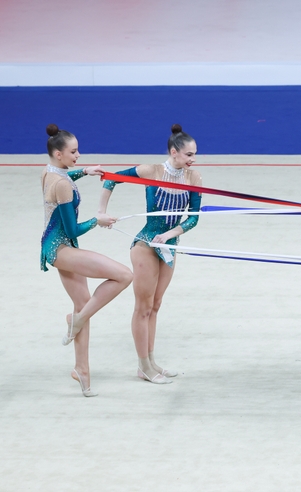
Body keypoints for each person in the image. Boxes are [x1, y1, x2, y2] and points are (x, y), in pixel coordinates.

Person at [99, 124, 202, 385]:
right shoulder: (151, 171)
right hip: (145, 244)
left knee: (155, 306)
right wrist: (102, 211)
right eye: (189, 155)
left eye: (194, 154)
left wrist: (170, 235)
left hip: (169, 245)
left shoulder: (194, 179)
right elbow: (111, 178)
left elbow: (194, 218)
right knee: (143, 307)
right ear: (174, 152)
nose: (193, 159)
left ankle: (151, 361)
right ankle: (143, 365)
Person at [40, 124, 133, 397]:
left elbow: (66, 179)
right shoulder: (61, 185)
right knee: (124, 275)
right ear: (59, 154)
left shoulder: (48, 172)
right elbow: (73, 230)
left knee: (83, 302)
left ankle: (82, 369)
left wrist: (85, 171)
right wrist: (98, 220)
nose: (78, 155)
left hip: (53, 246)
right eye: (74, 152)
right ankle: (76, 320)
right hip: (62, 249)